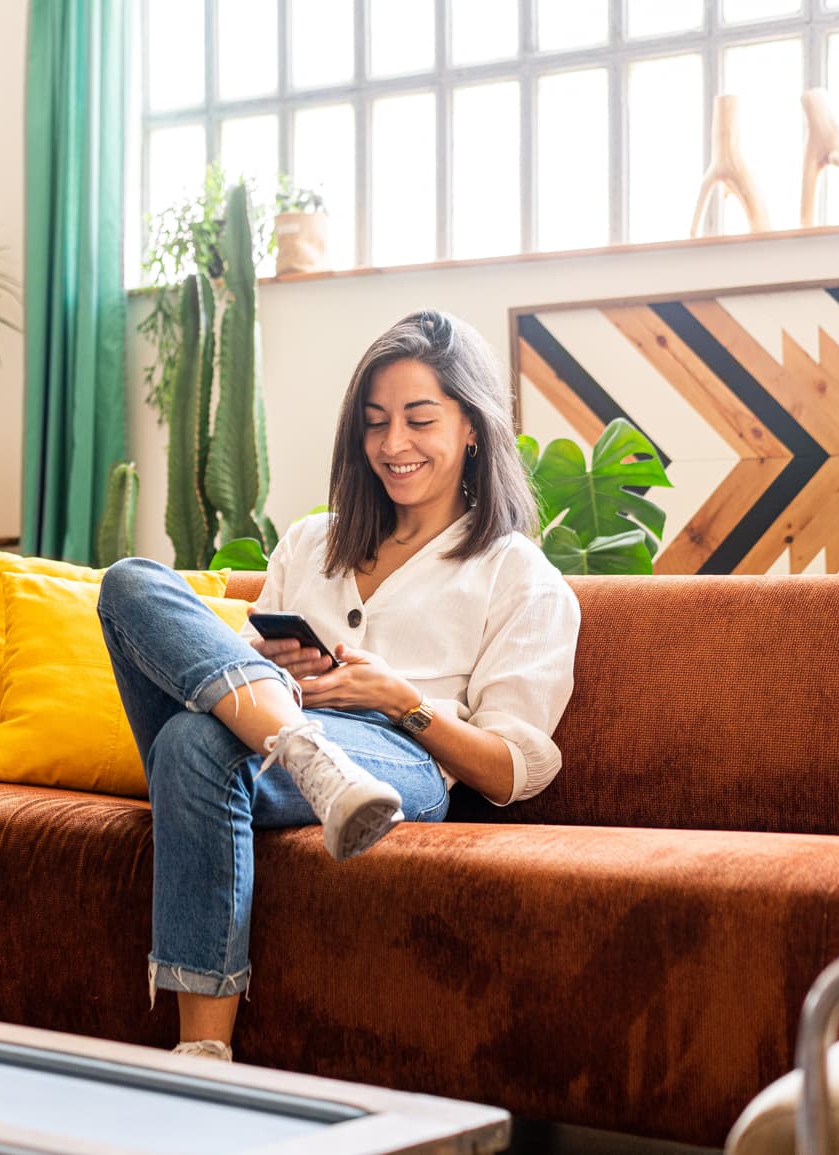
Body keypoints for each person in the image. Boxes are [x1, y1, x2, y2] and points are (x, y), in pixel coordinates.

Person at [97, 309, 580, 1062]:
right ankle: (300, 751)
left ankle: (200, 1060)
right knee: (131, 584)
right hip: (273, 734)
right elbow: (226, 668)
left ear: (473, 428)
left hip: (399, 763)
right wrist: (270, 672)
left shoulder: (517, 574)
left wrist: (400, 700)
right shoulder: (310, 542)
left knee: (193, 744)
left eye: (420, 420)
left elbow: (512, 770)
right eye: (376, 422)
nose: (393, 445)